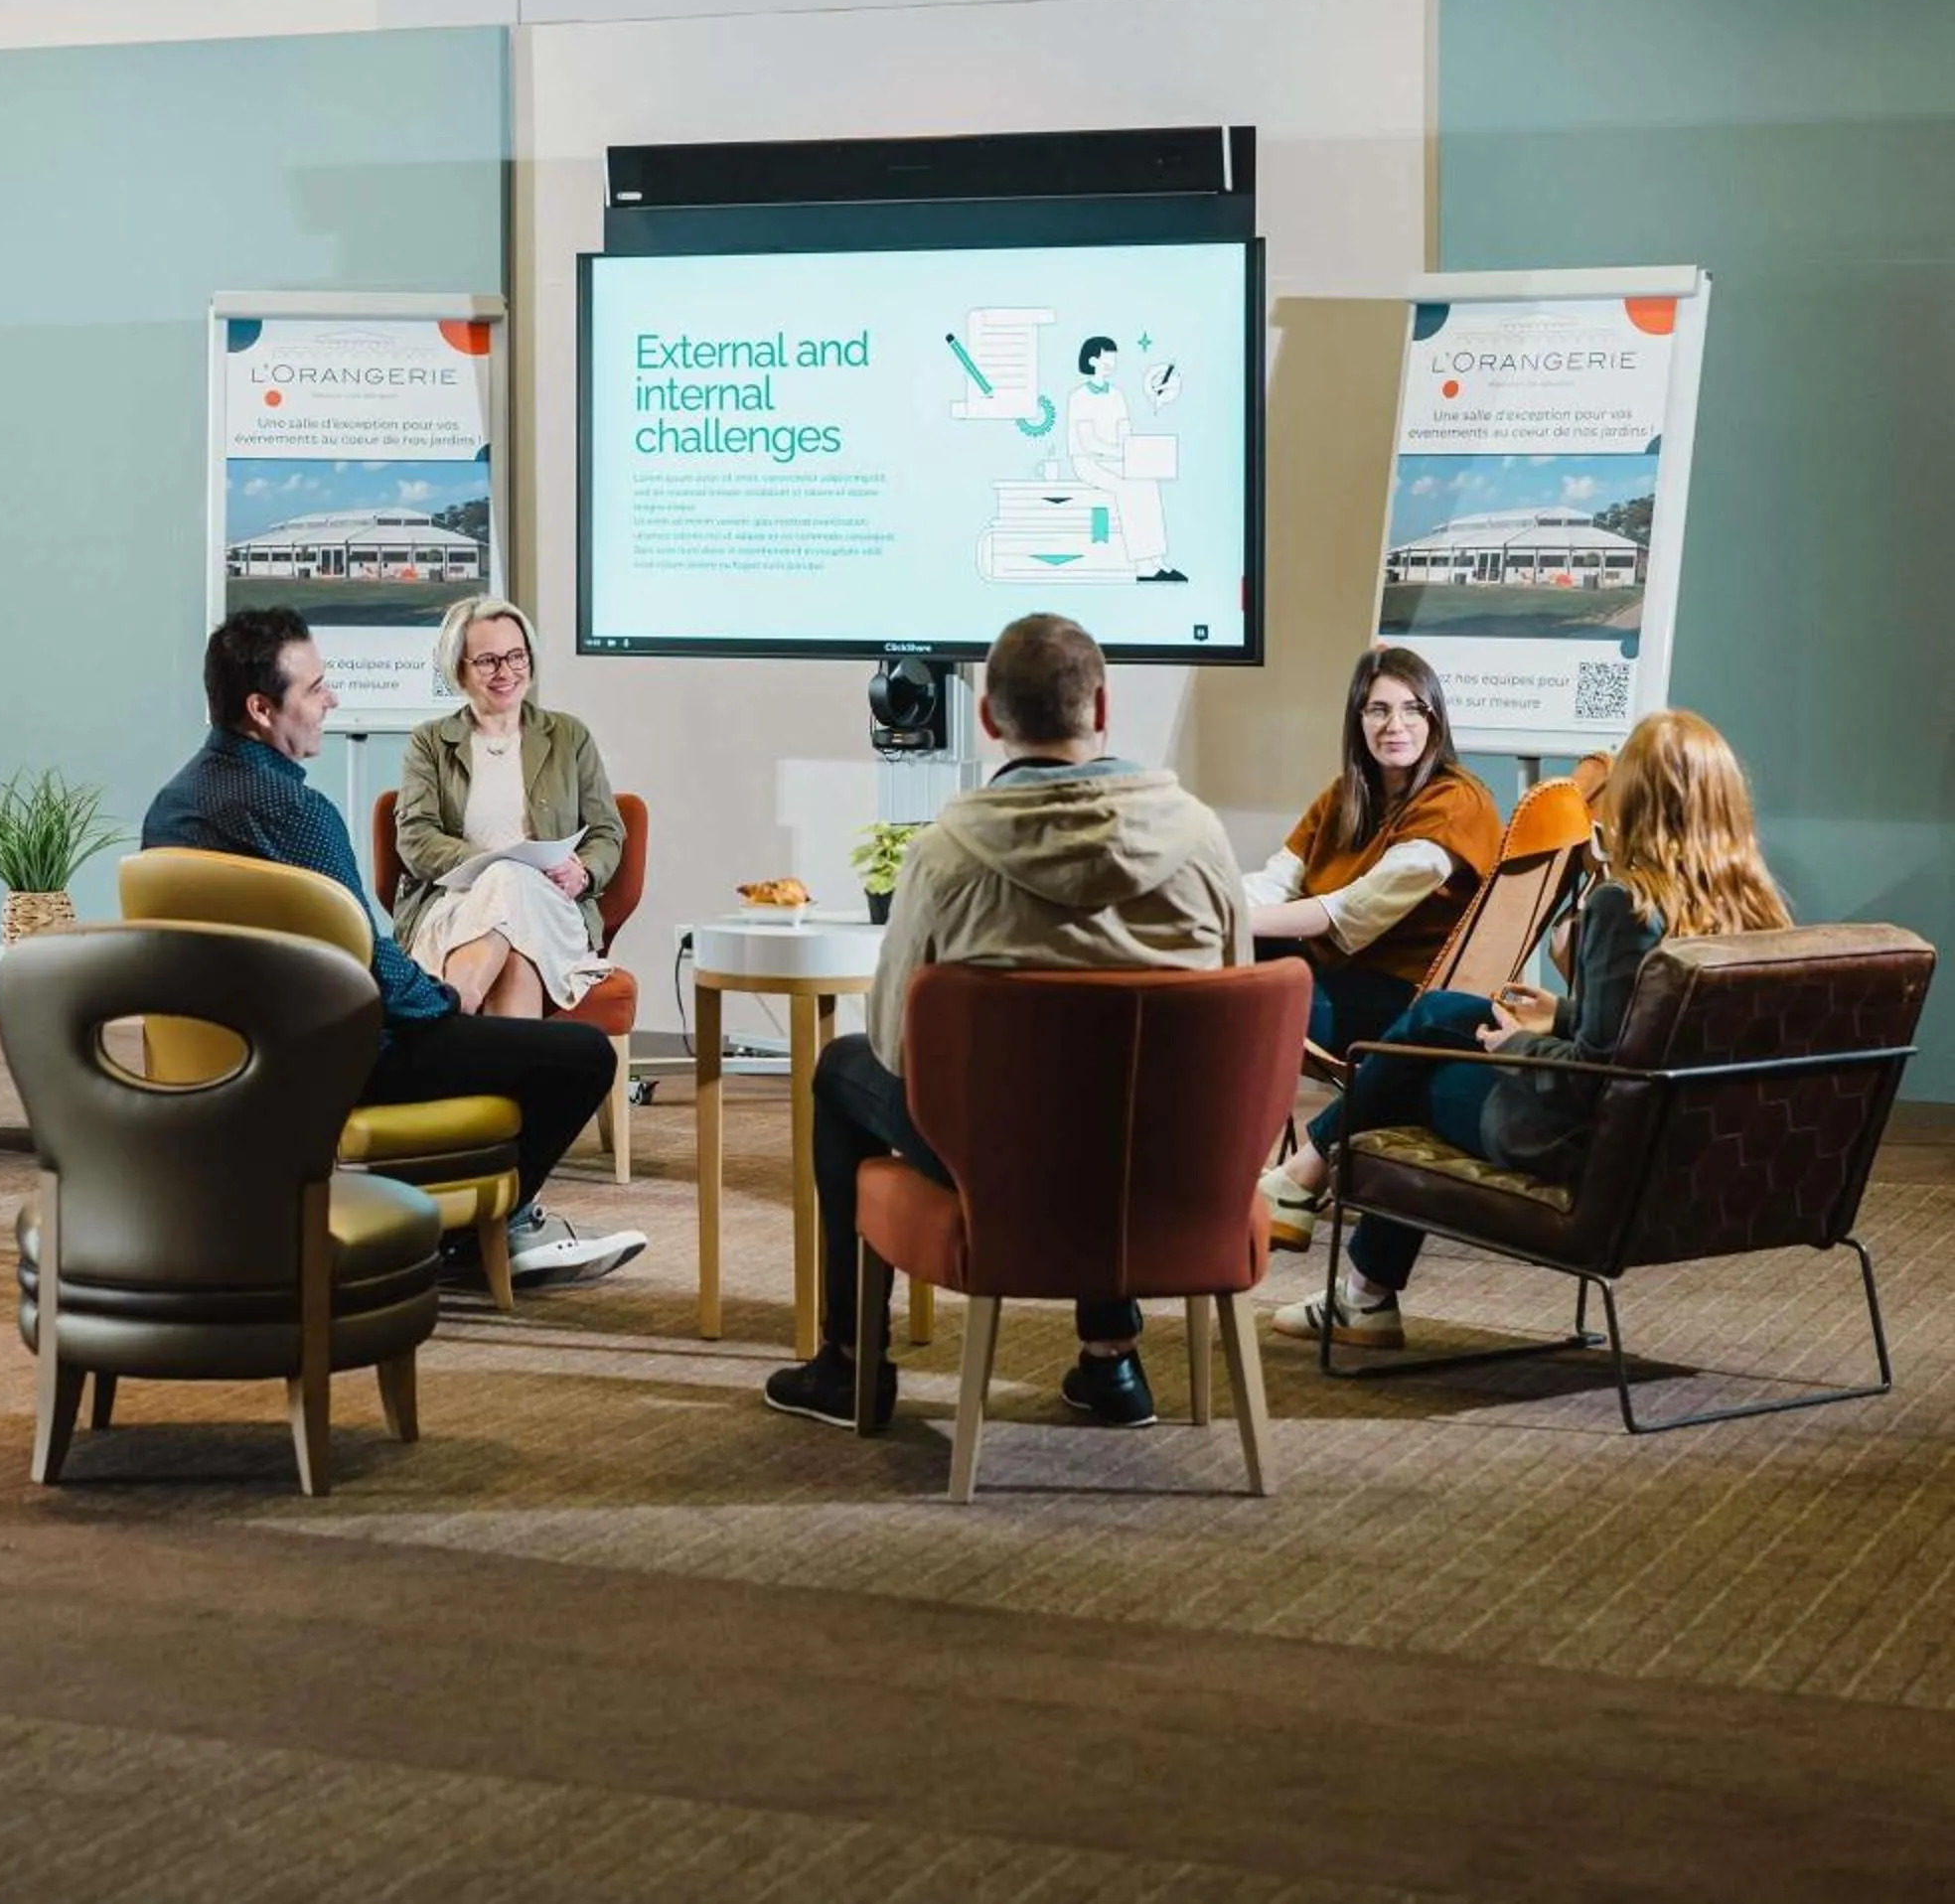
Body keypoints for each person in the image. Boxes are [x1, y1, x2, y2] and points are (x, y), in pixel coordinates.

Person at [764, 613, 1249, 1432]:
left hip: (995, 1164)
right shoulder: (1198, 836)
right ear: (1103, 709)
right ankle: (1111, 1359)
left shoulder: (947, 852)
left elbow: (895, 1042)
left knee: (842, 1066)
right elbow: (1236, 1005)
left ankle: (851, 1364)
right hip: (1166, 1158)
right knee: (1113, 1079)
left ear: (988, 720)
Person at [143, 608, 645, 1288]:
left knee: (502, 1009)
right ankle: (476, 1231)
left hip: (232, 1057)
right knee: (578, 1058)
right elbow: (368, 958)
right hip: (335, 1057)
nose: (332, 701)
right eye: (317, 688)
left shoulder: (173, 805)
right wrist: (440, 1001)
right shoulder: (298, 815)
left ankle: (480, 1223)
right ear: (262, 708)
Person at [1272, 709, 1792, 1346]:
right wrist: (1563, 1014)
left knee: (1404, 1081)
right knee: (1447, 1014)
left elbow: (1601, 1068)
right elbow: (1668, 1028)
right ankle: (1326, 1221)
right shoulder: (1756, 907)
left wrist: (1519, 1043)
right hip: (1682, 1140)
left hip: (1583, 1140)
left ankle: (1334, 1238)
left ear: (1638, 799)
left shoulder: (1627, 905)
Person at [1243, 644, 1502, 1247]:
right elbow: (1277, 877)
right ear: (1357, 721)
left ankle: (1241, 1174)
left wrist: (1225, 915)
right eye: (1378, 710)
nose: (1396, 726)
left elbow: (1349, 913)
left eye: (1414, 710)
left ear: (1436, 718)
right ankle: (1227, 1171)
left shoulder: (1455, 802)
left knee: (1237, 980)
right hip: (1335, 977)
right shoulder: (1347, 795)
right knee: (1225, 964)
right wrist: (1220, 911)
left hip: (1407, 1002)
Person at [389, 595, 622, 1019]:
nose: (507, 672)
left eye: (517, 656)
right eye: (488, 661)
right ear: (458, 669)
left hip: (551, 905)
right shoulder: (429, 742)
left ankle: (452, 1010)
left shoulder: (569, 736)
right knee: (513, 934)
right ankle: (518, 1083)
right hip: (458, 902)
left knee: (513, 886)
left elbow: (607, 832)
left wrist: (583, 871)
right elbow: (415, 839)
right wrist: (496, 866)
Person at [1062, 335, 1181, 582]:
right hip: (1089, 462)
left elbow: (1124, 431)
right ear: (1093, 360)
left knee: (1147, 484)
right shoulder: (1079, 397)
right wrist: (1121, 453)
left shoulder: (1116, 395)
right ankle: (1142, 566)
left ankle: (1156, 558)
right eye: (1108, 358)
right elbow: (1088, 442)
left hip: (1116, 459)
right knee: (1128, 489)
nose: (1112, 363)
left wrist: (1133, 454)